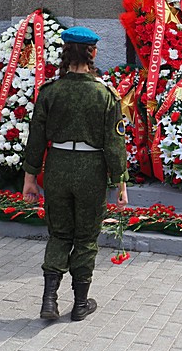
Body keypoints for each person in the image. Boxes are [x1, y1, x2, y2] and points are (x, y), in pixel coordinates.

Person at [22, 26, 128, 321]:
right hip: (91, 170)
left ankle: (49, 300)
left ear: (65, 52)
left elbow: (36, 138)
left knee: (59, 233)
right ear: (92, 53)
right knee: (85, 237)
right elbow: (114, 142)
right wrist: (120, 182)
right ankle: (80, 304)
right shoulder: (105, 94)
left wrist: (30, 178)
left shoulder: (50, 92)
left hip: (57, 165)